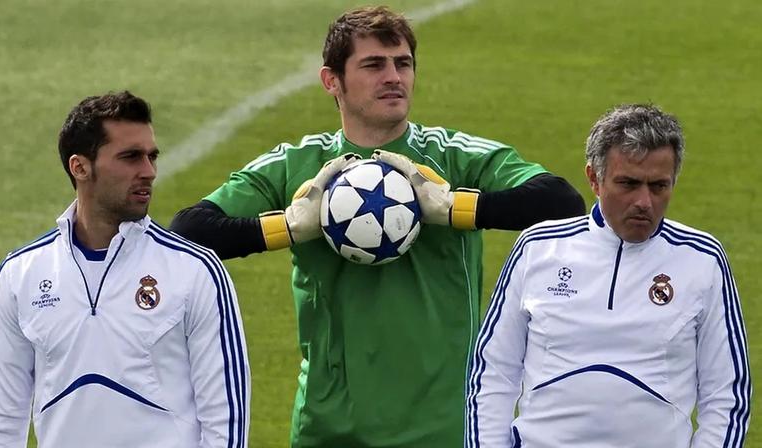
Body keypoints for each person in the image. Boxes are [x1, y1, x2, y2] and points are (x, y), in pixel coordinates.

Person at [171, 6, 584, 448]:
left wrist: (451, 208)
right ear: (332, 80)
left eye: (402, 63)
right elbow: (189, 230)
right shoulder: (298, 165)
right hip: (327, 431)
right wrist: (290, 227)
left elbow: (562, 202)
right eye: (373, 65)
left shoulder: (453, 157)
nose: (394, 77)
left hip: (445, 430)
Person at [465, 104, 751, 447]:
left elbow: (727, 394)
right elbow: (492, 373)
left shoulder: (702, 260)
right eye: (628, 184)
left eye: (659, 186)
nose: (644, 201)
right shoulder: (537, 248)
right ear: (594, 179)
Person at [0, 91, 250, 447]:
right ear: (80, 167)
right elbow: (2, 417)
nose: (149, 171)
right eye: (130, 157)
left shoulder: (196, 271)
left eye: (152, 157)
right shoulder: (21, 275)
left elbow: (226, 418)